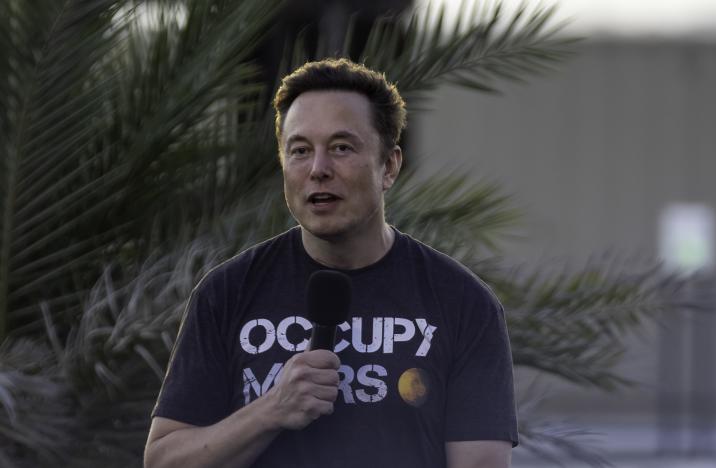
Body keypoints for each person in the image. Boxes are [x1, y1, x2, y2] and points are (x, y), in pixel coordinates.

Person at [144, 58, 518, 468]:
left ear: (389, 166)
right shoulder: (226, 293)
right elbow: (164, 460)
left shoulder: (462, 303)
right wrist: (271, 411)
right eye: (300, 151)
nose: (319, 170)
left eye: (341, 148)